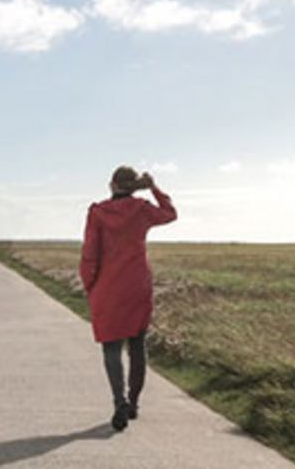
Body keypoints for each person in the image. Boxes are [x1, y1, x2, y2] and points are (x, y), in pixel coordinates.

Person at [79, 165, 177, 432]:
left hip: (108, 287)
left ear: (112, 185)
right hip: (137, 285)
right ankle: (133, 403)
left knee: (111, 348)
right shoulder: (142, 209)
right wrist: (155, 188)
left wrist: (90, 286)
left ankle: (119, 402)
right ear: (135, 186)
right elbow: (170, 214)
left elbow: (90, 253)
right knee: (137, 345)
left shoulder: (98, 213)